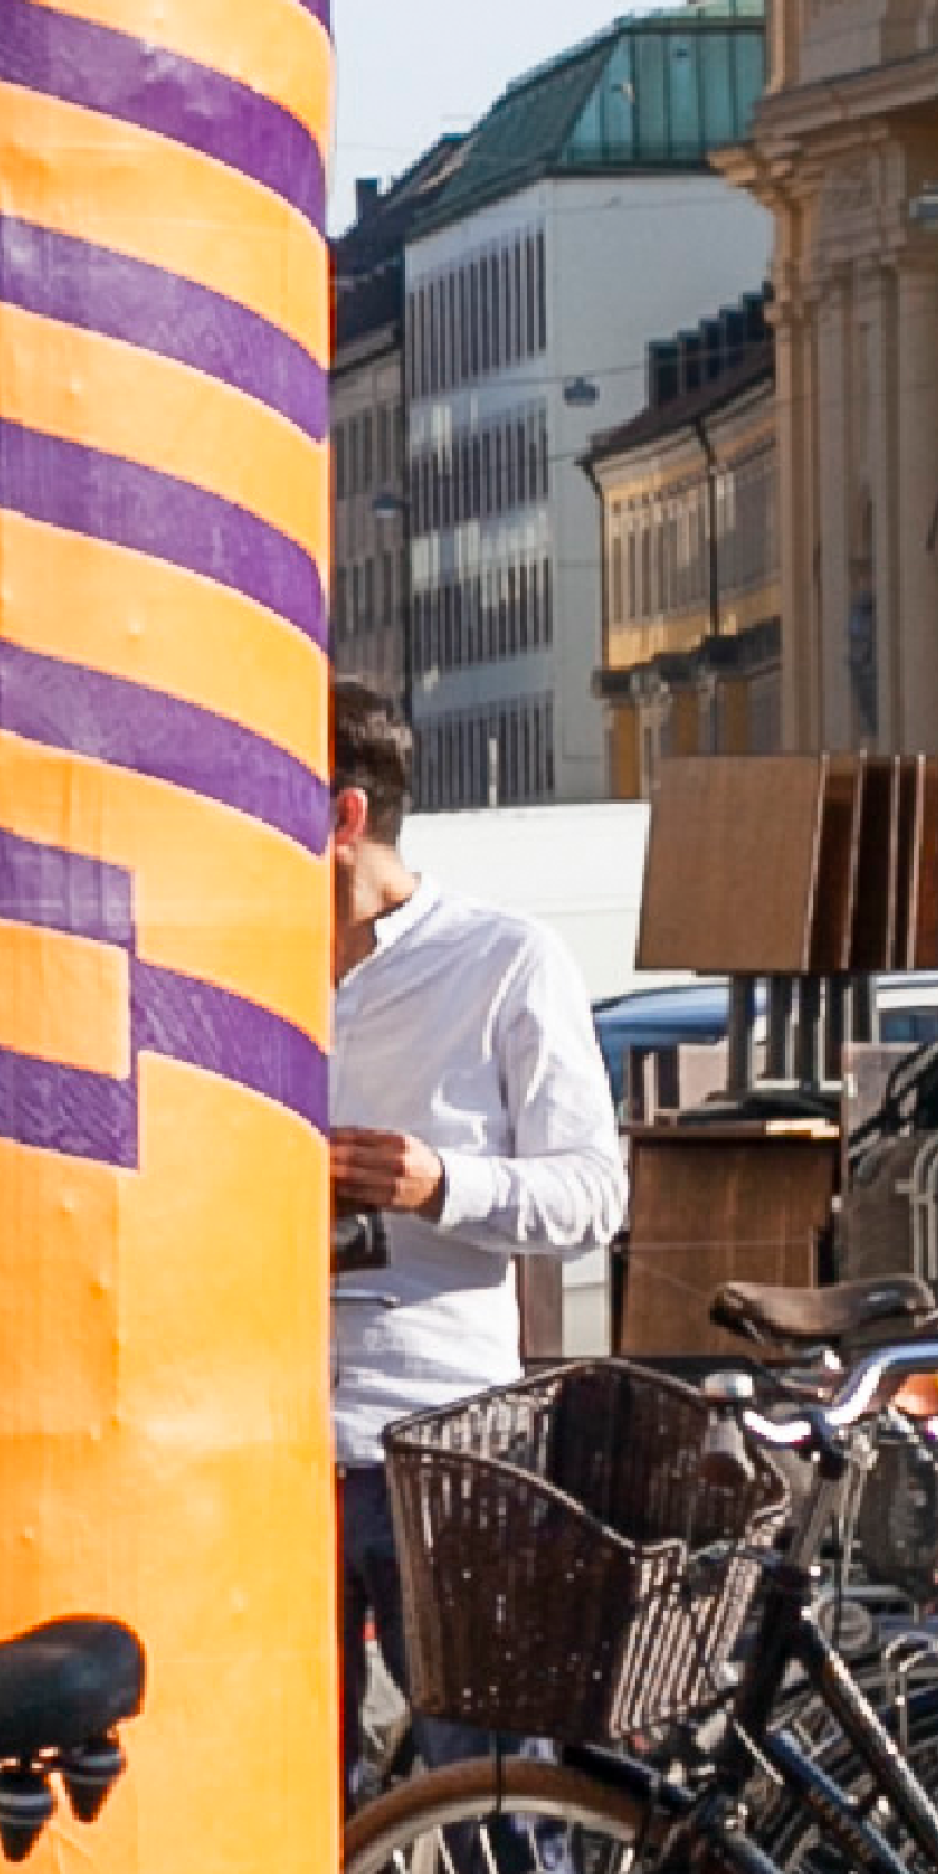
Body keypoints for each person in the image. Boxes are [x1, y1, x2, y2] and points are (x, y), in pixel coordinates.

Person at [325, 669, 626, 1773]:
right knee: (283, 1805)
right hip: (267, 1446)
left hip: (439, 1444)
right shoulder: (242, 965)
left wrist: (437, 1182)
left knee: (482, 1788)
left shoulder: (503, 962)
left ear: (343, 818)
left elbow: (593, 1194)